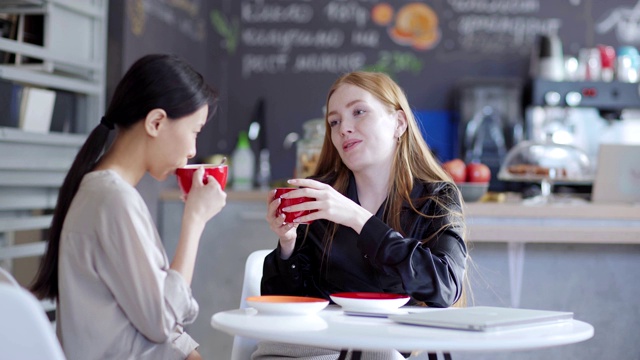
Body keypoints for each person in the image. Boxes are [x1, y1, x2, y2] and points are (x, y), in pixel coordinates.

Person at [256, 71, 468, 360]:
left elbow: (446, 286)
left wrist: (358, 219)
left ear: (399, 123)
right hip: (321, 346)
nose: (344, 128)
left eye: (359, 112)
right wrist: (287, 243)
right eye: (334, 121)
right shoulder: (320, 196)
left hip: (390, 348)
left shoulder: (436, 197)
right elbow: (285, 304)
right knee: (268, 349)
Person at [30, 54, 226, 360]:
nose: (193, 150)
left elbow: (150, 313)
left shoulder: (105, 191)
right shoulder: (113, 199)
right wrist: (195, 220)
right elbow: (161, 320)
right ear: (156, 122)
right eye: (194, 132)